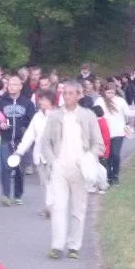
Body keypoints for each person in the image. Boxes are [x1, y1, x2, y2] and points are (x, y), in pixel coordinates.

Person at [41, 81, 104, 259]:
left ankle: (74, 245)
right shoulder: (54, 116)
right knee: (58, 207)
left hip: (80, 168)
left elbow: (97, 143)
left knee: (78, 208)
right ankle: (57, 245)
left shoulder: (88, 116)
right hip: (60, 166)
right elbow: (45, 142)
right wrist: (53, 161)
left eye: (70, 93)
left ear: (79, 95)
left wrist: (88, 159)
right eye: (64, 93)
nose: (66, 96)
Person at [0, 75, 35, 206]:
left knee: (19, 169)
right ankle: (5, 195)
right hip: (5, 139)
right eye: (10, 84)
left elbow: (32, 122)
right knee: (6, 166)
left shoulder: (27, 103)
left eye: (15, 84)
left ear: (20, 86)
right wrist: (0, 125)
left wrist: (24, 130)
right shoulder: (1, 102)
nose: (12, 87)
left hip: (21, 141)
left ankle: (18, 195)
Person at [15, 90, 55, 217]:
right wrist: (19, 152)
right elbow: (29, 136)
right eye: (40, 99)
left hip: (55, 157)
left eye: (43, 100)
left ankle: (53, 209)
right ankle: (48, 207)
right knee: (45, 184)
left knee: (53, 183)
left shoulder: (58, 116)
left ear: (51, 101)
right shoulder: (37, 116)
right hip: (39, 156)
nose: (40, 102)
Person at [94, 82, 135, 186]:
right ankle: (108, 177)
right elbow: (95, 113)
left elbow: (128, 112)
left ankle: (115, 176)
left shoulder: (120, 101)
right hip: (105, 132)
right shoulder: (100, 101)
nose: (110, 94)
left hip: (118, 132)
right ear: (104, 92)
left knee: (115, 154)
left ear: (115, 92)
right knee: (107, 156)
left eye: (112, 92)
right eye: (108, 92)